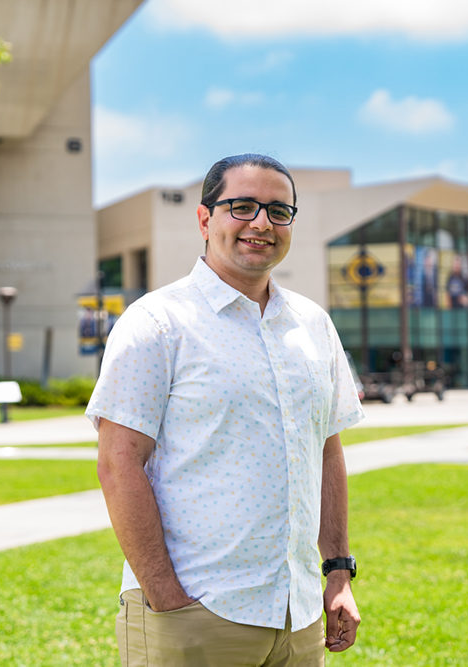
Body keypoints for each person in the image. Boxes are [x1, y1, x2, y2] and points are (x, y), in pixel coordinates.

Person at [87, 154, 364, 667]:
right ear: (204, 219)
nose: (261, 222)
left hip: (297, 616)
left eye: (279, 210)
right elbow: (118, 465)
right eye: (242, 206)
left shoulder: (314, 325)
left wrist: (338, 575)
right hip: (195, 615)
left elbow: (326, 451)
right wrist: (169, 601)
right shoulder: (156, 323)